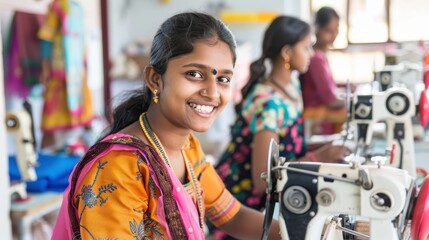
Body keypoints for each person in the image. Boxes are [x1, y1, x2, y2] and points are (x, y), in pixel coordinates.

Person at [51, 12, 281, 239]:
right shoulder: (118, 169)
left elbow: (234, 216)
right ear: (154, 79)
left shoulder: (188, 148)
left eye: (223, 79)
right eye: (194, 74)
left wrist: (302, 233)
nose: (212, 92)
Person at [212, 15, 349, 239]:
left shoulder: (291, 85)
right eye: (306, 47)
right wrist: (318, 157)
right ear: (287, 52)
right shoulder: (268, 104)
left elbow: (289, 147)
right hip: (245, 208)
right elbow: (263, 178)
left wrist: (327, 147)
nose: (312, 54)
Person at [299, 6, 346, 136]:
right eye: (329, 31)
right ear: (317, 30)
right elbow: (330, 100)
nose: (334, 35)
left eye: (336, 30)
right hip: (317, 120)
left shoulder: (321, 56)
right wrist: (353, 100)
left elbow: (328, 85)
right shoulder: (316, 58)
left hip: (321, 115)